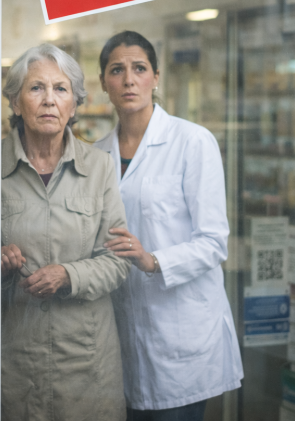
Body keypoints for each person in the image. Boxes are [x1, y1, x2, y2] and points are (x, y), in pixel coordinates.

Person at [93, 31, 243, 421]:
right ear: (103, 83)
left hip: (182, 337)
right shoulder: (94, 155)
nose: (129, 80)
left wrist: (152, 259)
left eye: (139, 68)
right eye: (117, 70)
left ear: (156, 77)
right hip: (121, 336)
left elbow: (213, 242)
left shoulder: (192, 142)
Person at [0, 43, 130, 421]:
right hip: (14, 359)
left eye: (61, 89)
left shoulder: (100, 167)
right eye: (36, 88)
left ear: (74, 104)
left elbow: (119, 259)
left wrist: (68, 275)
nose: (49, 100)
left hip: (85, 363)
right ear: (15, 101)